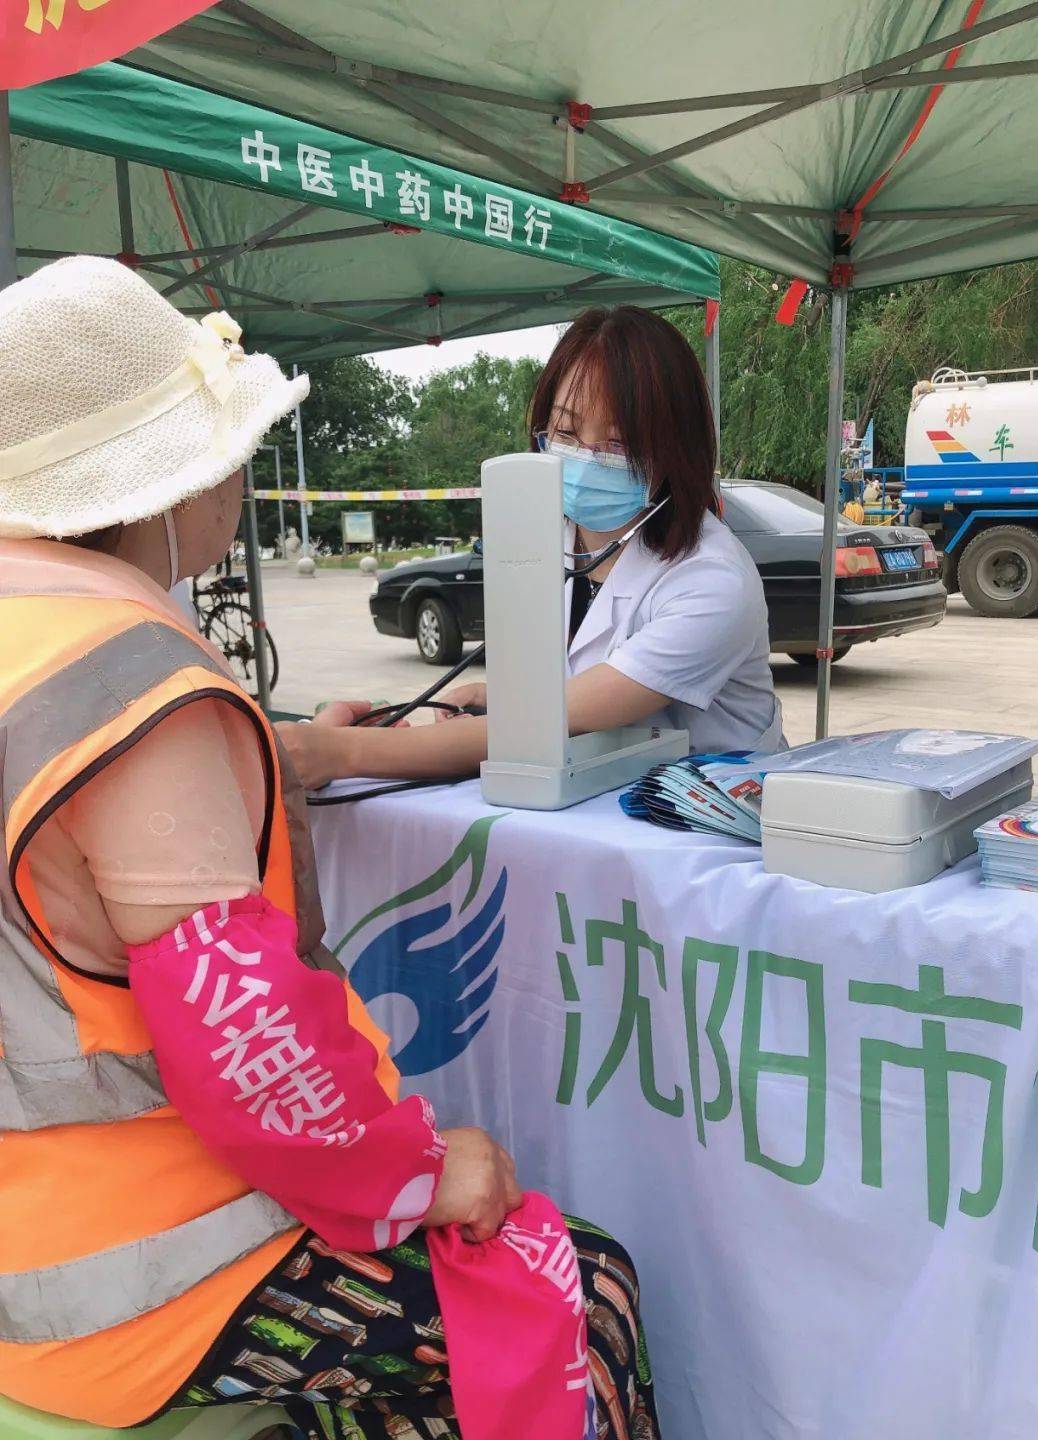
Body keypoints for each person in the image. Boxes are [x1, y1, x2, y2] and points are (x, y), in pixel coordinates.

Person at [0, 258, 657, 1440]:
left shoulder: (25, 634)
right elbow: (241, 1035)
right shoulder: (127, 676)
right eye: (233, 447)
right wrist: (418, 1171)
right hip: (119, 1270)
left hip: (34, 1222)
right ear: (166, 485)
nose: (243, 477)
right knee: (582, 1289)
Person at [279, 305, 782, 791]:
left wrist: (337, 753)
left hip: (711, 827)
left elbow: (552, 721)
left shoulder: (712, 581)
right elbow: (545, 704)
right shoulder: (550, 539)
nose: (584, 458)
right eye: (565, 430)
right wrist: (492, 700)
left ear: (676, 449)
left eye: (618, 443)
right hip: (596, 802)